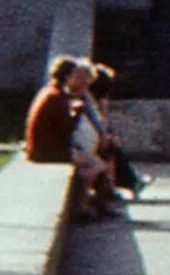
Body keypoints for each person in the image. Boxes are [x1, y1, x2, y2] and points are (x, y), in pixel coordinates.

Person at [25, 56, 119, 222]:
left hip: (46, 147)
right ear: (68, 77)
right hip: (49, 151)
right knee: (97, 164)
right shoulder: (56, 97)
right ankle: (81, 205)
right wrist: (77, 112)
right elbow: (67, 128)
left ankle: (87, 203)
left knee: (95, 159)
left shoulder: (50, 92)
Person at [83, 62, 149, 199]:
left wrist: (109, 134)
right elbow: (101, 124)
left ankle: (129, 181)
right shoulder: (90, 100)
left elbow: (103, 125)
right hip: (87, 139)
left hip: (93, 137)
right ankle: (125, 183)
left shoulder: (94, 100)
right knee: (111, 149)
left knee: (112, 148)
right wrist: (107, 134)